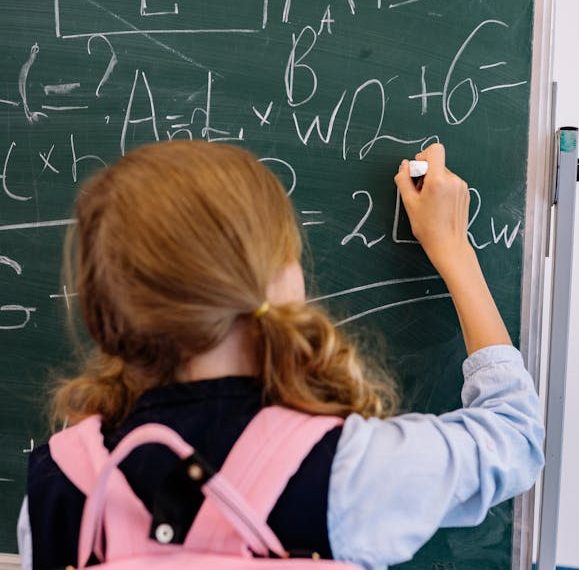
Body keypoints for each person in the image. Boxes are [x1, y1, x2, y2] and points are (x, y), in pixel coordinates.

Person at [18, 141, 544, 570]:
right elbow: (515, 438)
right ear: (275, 280)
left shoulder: (57, 482)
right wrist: (455, 250)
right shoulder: (349, 471)